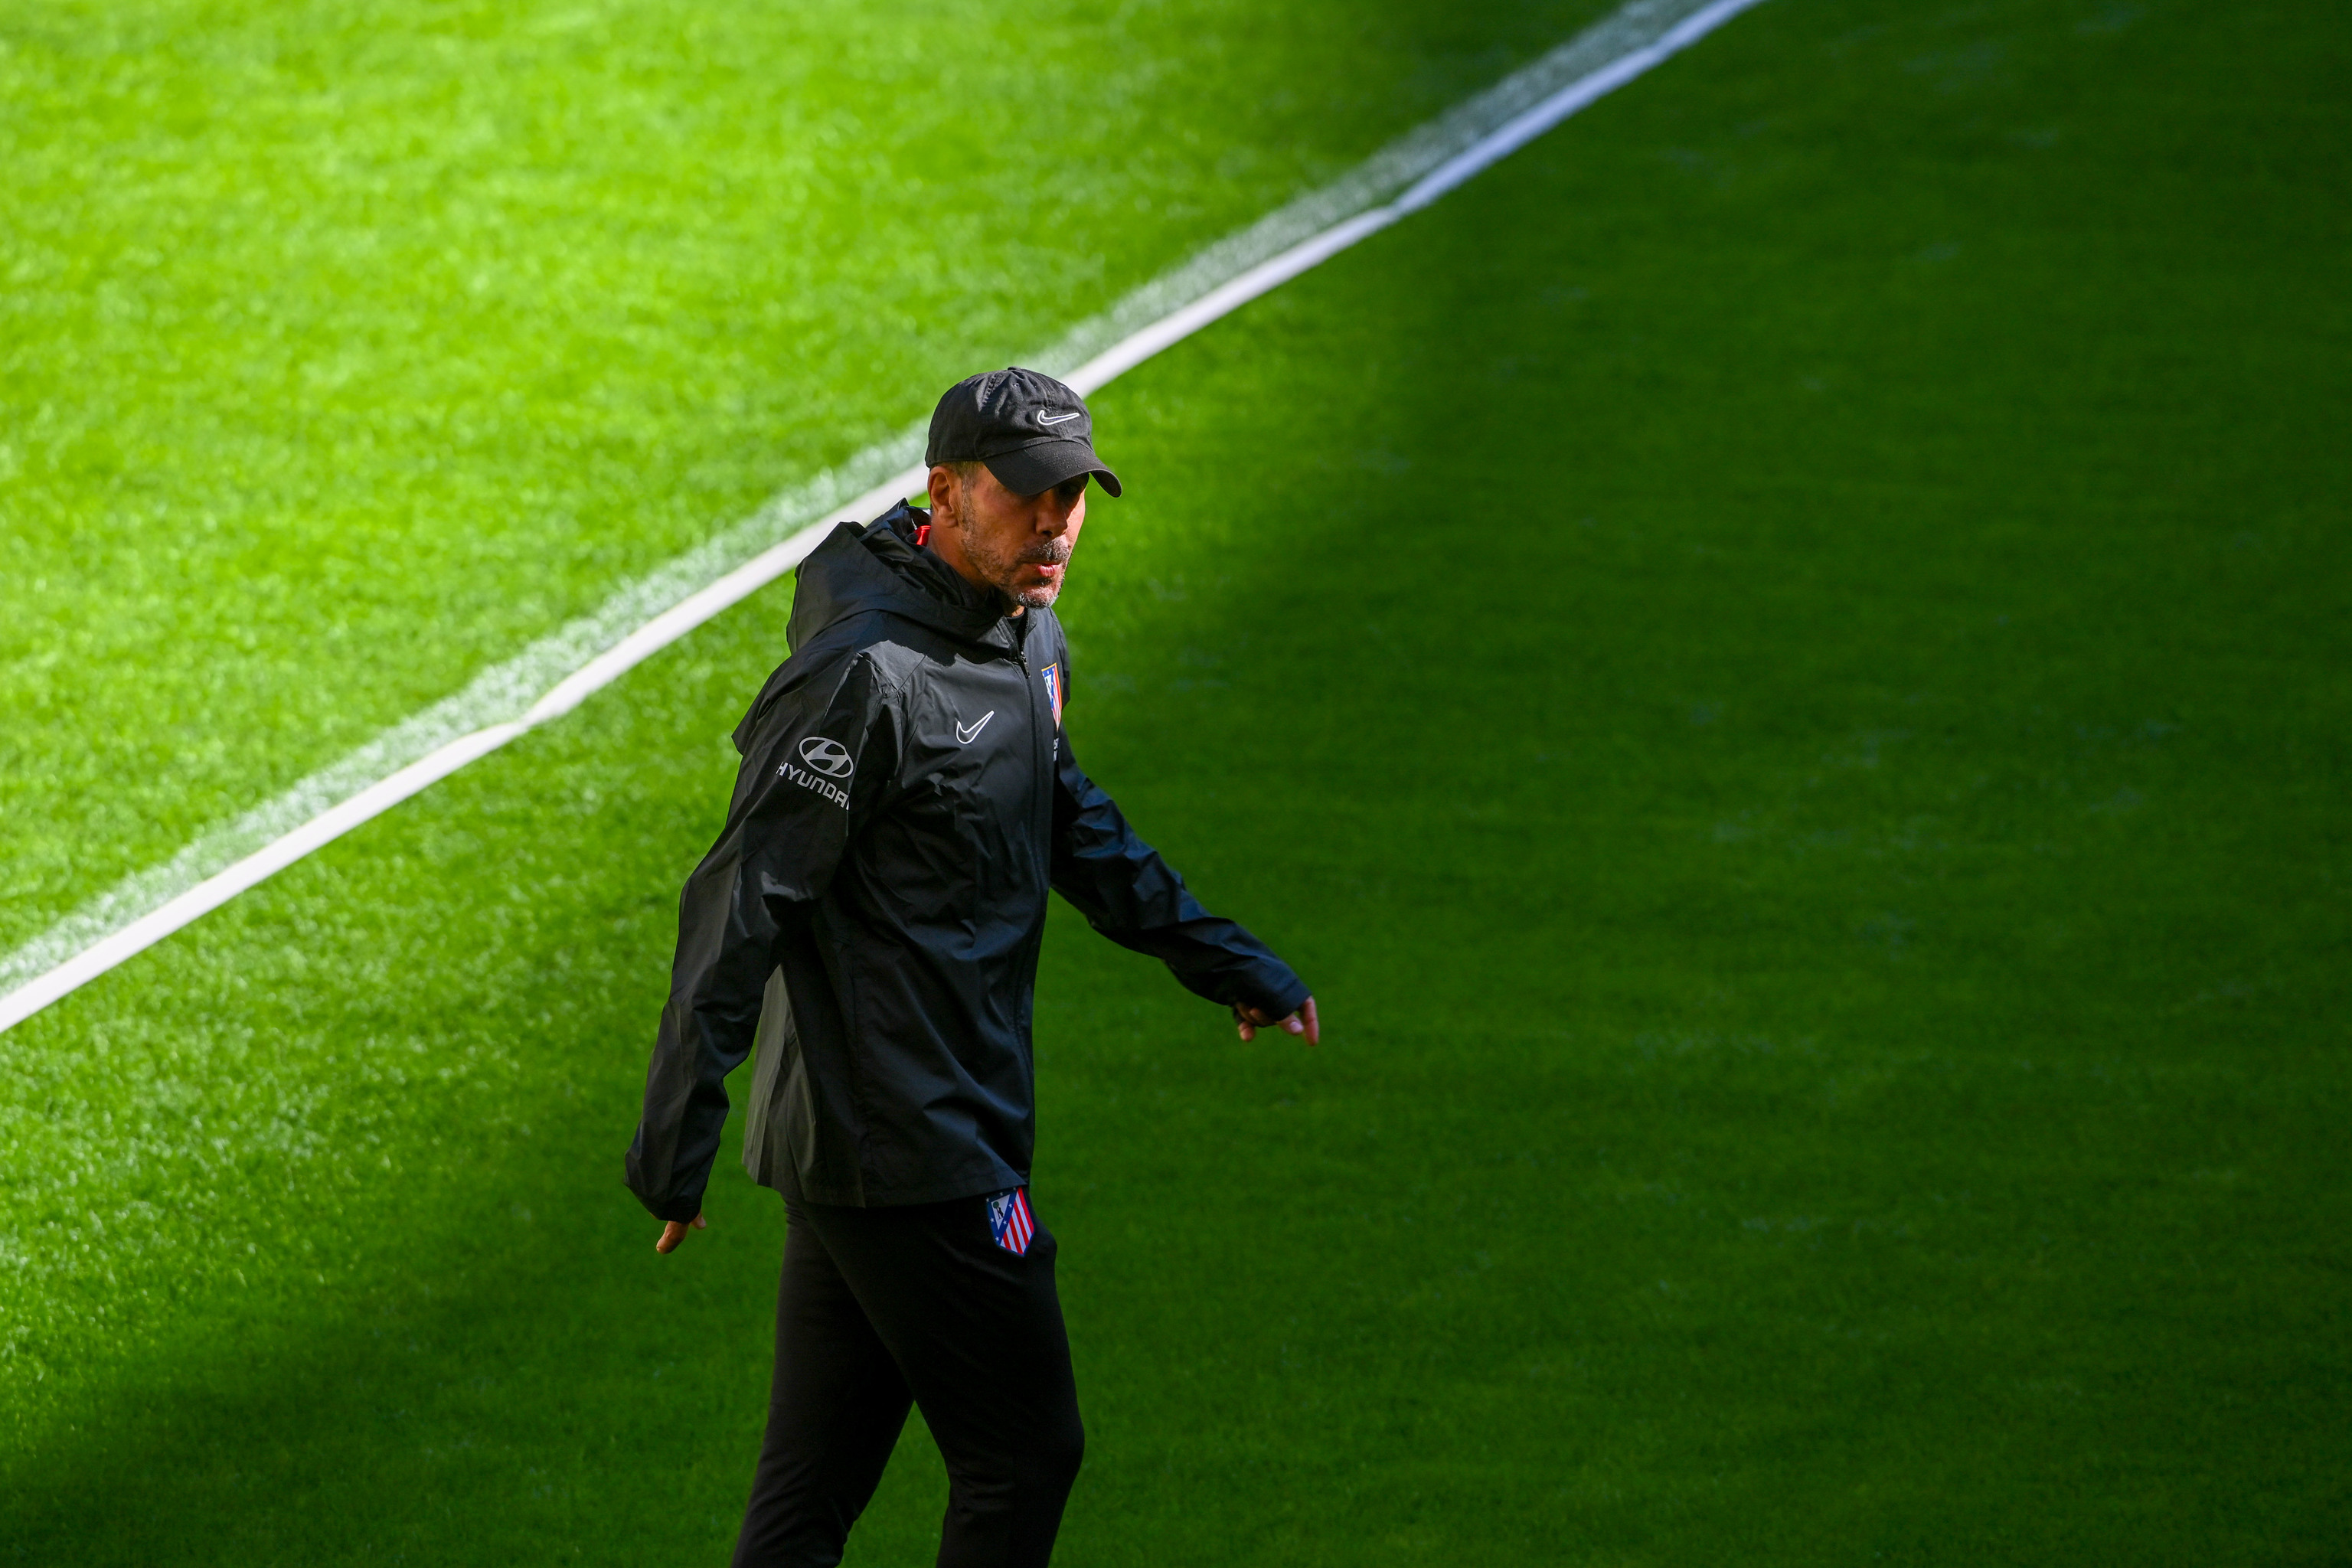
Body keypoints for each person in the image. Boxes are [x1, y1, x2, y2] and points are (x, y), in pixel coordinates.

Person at [624, 366, 1318, 1568]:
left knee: (811, 1491)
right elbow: (742, 904)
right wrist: (674, 1141)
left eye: (1076, 497)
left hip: (891, 1135)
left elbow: (1064, 816)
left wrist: (1222, 960)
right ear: (944, 492)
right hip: (915, 1140)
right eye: (1032, 495)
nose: (1058, 524)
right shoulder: (864, 678)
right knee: (1024, 1455)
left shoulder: (1022, 635)